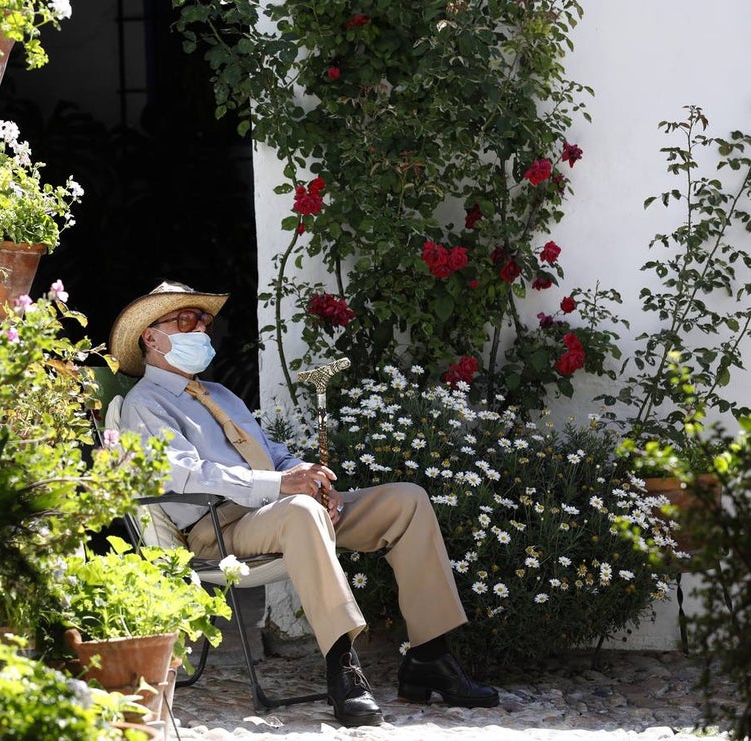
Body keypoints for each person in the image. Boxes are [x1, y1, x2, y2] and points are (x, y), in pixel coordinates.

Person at [108, 280, 499, 727]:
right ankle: (342, 668)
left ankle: (429, 657)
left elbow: (272, 452)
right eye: (185, 319)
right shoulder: (145, 404)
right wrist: (282, 487)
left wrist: (309, 480)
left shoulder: (220, 395)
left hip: (278, 508)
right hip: (217, 528)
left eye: (203, 320)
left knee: (407, 501)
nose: (200, 328)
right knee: (300, 511)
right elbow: (187, 474)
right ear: (150, 336)